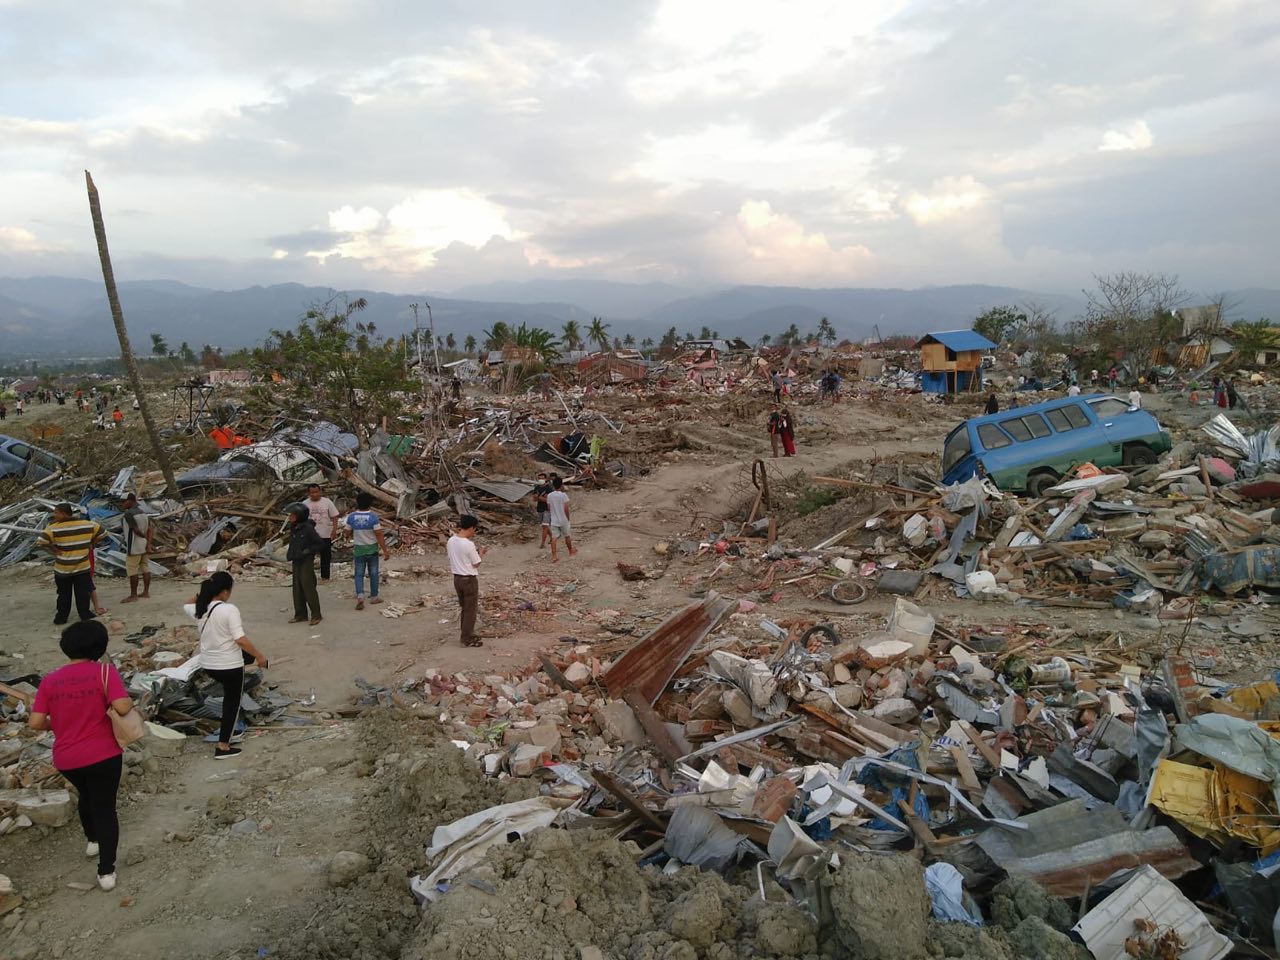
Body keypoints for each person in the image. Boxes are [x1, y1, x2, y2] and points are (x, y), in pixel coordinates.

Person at [27, 620, 135, 891]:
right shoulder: (105, 673)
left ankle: (92, 841)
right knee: (105, 807)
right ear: (100, 647)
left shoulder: (50, 680)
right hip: (104, 754)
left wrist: (60, 723)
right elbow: (122, 708)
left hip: (67, 759)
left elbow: (36, 723)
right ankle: (106, 871)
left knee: (87, 795)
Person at [183, 572, 269, 759]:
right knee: (232, 703)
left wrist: (203, 594)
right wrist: (261, 657)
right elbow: (241, 639)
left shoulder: (200, 608)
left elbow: (186, 603)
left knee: (229, 697)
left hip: (208, 664)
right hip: (229, 665)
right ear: (224, 592)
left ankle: (229, 731)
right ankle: (223, 746)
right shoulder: (229, 610)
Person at [37, 503, 105, 624]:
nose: (54, 515)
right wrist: (92, 544)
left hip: (63, 569)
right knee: (82, 593)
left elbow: (41, 541)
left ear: (64, 514)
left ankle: (61, 617)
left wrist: (54, 550)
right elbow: (103, 533)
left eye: (56, 512)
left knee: (63, 595)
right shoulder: (87, 524)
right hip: (82, 567)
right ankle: (84, 614)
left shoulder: (53, 528)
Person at [344, 493, 390, 611]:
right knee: (373, 573)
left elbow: (346, 532)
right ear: (370, 503)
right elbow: (379, 534)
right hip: (372, 549)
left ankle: (360, 596)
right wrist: (385, 550)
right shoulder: (373, 517)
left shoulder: (351, 517)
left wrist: (349, 537)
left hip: (359, 549)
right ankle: (374, 597)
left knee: (359, 574)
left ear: (357, 502)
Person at [447, 515, 486, 647]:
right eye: (474, 530)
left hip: (457, 578)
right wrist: (481, 553)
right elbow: (476, 563)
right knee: (471, 609)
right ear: (470, 528)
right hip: (468, 579)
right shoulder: (469, 544)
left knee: (465, 607)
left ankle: (466, 632)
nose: (474, 533)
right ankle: (467, 637)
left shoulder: (451, 540)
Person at [285, 503, 323, 625]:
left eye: (292, 515)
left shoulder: (308, 529)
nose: (290, 517)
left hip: (306, 561)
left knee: (308, 588)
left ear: (299, 516)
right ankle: (300, 614)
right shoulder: (294, 527)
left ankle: (316, 615)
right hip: (296, 560)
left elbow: (319, 544)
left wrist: (306, 552)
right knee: (297, 589)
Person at [119, 492, 153, 603]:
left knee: (132, 570)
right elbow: (150, 530)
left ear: (131, 501)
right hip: (143, 545)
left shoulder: (128, 514)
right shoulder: (143, 513)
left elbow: (136, 530)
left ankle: (133, 595)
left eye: (124, 501)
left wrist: (142, 536)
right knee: (145, 567)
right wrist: (148, 542)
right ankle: (146, 592)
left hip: (134, 545)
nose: (122, 504)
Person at [304, 484, 340, 582]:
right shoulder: (304, 504)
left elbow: (334, 516)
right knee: (309, 556)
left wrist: (334, 529)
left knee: (326, 556)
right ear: (309, 493)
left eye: (316, 492)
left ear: (320, 492)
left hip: (325, 534)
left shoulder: (327, 502)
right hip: (310, 535)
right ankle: (308, 577)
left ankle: (325, 577)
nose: (315, 494)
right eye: (312, 492)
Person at [546, 476, 576, 562]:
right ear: (561, 485)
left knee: (554, 538)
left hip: (554, 520)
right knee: (567, 536)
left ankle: (554, 555)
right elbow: (566, 508)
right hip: (563, 519)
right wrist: (568, 518)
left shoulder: (549, 496)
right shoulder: (563, 495)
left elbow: (549, 508)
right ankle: (570, 551)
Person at [532, 472, 552, 548]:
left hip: (547, 509)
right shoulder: (536, 487)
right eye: (539, 478)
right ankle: (552, 536)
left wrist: (539, 498)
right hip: (540, 508)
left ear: (545, 479)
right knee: (544, 526)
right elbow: (534, 499)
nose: (541, 480)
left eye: (542, 478)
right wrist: (539, 498)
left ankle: (543, 543)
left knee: (545, 525)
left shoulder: (549, 488)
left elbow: (549, 500)